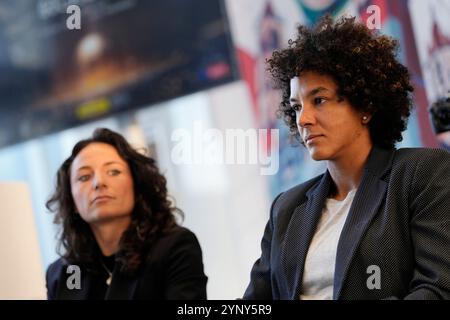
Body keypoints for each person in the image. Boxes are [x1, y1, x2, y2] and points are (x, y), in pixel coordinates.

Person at [244, 15, 450, 300]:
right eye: (296, 106)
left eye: (319, 100)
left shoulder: (421, 174)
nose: (303, 118)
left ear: (364, 103)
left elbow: (439, 289)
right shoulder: (286, 209)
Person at [45, 128, 207, 299]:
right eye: (84, 177)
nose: (99, 182)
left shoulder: (173, 248)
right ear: (72, 202)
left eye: (113, 172)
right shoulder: (68, 272)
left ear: (137, 186)